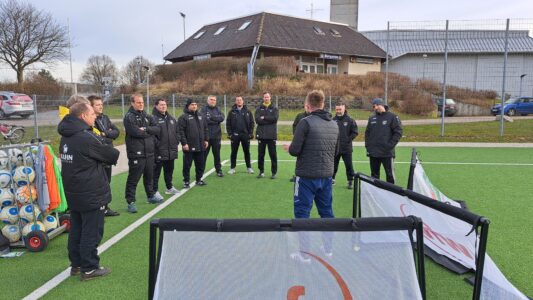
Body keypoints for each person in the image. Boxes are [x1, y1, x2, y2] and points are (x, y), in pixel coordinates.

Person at [58, 102, 120, 280]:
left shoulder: (66, 135)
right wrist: (104, 140)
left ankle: (76, 264)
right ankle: (89, 268)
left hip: (74, 191)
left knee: (77, 228)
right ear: (83, 116)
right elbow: (111, 155)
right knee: (91, 231)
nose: (95, 116)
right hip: (90, 191)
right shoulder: (85, 137)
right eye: (92, 113)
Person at [284, 90, 339, 219]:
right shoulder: (334, 124)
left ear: (308, 105)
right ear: (323, 104)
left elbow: (294, 150)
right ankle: (329, 239)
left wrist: (291, 147)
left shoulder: (305, 122)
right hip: (326, 176)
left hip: (306, 176)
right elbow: (336, 151)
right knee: (326, 212)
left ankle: (304, 240)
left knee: (302, 213)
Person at [123, 94, 162, 213]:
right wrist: (149, 131)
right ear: (132, 103)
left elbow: (157, 129)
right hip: (136, 153)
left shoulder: (147, 116)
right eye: (138, 102)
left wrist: (145, 129)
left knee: (149, 176)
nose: (141, 104)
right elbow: (135, 132)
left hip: (149, 152)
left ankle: (150, 196)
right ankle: (131, 202)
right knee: (133, 179)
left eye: (142, 102)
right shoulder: (129, 117)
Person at [88, 95, 121, 216]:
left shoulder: (105, 118)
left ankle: (105, 207)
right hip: (98, 157)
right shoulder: (90, 120)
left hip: (108, 156)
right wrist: (107, 135)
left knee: (107, 182)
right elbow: (96, 138)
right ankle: (98, 208)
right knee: (98, 184)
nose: (101, 106)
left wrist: (104, 133)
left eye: (101, 104)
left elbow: (116, 132)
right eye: (97, 105)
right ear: (90, 106)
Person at [365, 98, 403, 184]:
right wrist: (368, 146)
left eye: (374, 106)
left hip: (387, 153)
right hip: (373, 153)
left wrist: (389, 145)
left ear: (380, 105)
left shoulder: (392, 117)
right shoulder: (372, 118)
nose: (374, 108)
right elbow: (367, 133)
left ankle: (391, 193)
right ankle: (375, 193)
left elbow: (398, 133)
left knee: (390, 175)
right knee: (374, 175)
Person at [151, 98, 180, 196]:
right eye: (161, 105)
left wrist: (176, 140)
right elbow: (151, 135)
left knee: (169, 171)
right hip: (159, 151)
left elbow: (177, 132)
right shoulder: (153, 118)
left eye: (165, 104)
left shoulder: (171, 118)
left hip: (171, 150)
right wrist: (158, 145)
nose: (163, 106)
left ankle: (169, 187)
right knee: (156, 173)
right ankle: (154, 191)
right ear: (156, 106)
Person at [178, 98, 209, 188]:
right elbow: (181, 131)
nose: (194, 106)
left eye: (195, 104)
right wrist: (184, 143)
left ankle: (199, 179)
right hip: (189, 146)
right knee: (187, 165)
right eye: (192, 104)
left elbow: (206, 128)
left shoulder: (201, 116)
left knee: (200, 164)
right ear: (188, 106)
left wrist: (206, 140)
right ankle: (186, 181)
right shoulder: (183, 117)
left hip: (200, 145)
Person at [332, 102, 358, 189]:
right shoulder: (332, 120)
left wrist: (347, 139)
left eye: (340, 109)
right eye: (337, 109)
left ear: (344, 108)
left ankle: (350, 181)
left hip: (346, 148)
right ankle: (332, 178)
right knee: (333, 164)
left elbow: (355, 132)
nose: (338, 111)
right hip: (335, 148)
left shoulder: (350, 120)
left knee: (349, 165)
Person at [226, 96, 254, 174]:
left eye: (240, 100)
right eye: (237, 100)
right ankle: (232, 168)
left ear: (243, 101)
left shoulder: (248, 111)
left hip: (245, 135)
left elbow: (252, 123)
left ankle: (249, 167)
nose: (239, 101)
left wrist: (250, 133)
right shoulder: (231, 112)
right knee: (234, 152)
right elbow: (228, 124)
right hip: (235, 136)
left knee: (247, 152)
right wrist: (230, 134)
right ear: (235, 102)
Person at [255, 92, 279, 179]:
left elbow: (275, 119)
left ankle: (274, 173)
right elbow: (257, 120)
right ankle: (261, 172)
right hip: (261, 136)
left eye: (267, 97)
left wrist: (264, 117)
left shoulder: (274, 108)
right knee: (260, 155)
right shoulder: (259, 108)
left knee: (273, 155)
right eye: (265, 97)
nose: (266, 98)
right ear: (263, 98)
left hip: (271, 136)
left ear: (270, 98)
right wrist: (268, 119)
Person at [201, 95, 225, 177]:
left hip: (216, 136)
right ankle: (200, 171)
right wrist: (215, 120)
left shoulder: (218, 109)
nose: (213, 101)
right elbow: (204, 120)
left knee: (217, 155)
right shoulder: (203, 109)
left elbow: (222, 118)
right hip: (206, 138)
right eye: (211, 99)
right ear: (208, 101)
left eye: (214, 100)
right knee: (203, 155)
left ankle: (219, 170)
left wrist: (212, 118)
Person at [289, 110, 309, 182]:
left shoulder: (314, 117)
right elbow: (294, 125)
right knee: (299, 158)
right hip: (300, 141)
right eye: (306, 106)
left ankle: (306, 176)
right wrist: (296, 135)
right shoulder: (300, 115)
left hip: (310, 142)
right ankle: (298, 176)